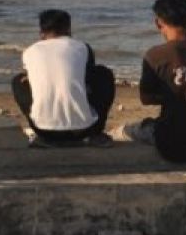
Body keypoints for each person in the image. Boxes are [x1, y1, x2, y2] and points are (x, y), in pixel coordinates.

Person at [116, 0, 186, 163]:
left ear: (158, 23)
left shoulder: (155, 55)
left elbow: (146, 98)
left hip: (172, 142)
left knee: (122, 131)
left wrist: (174, 92)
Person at [11, 9, 116, 148]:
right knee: (104, 74)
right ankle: (96, 133)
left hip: (44, 131)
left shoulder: (30, 51)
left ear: (41, 32)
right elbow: (87, 80)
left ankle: (43, 134)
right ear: (69, 29)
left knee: (19, 81)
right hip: (84, 130)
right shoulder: (82, 47)